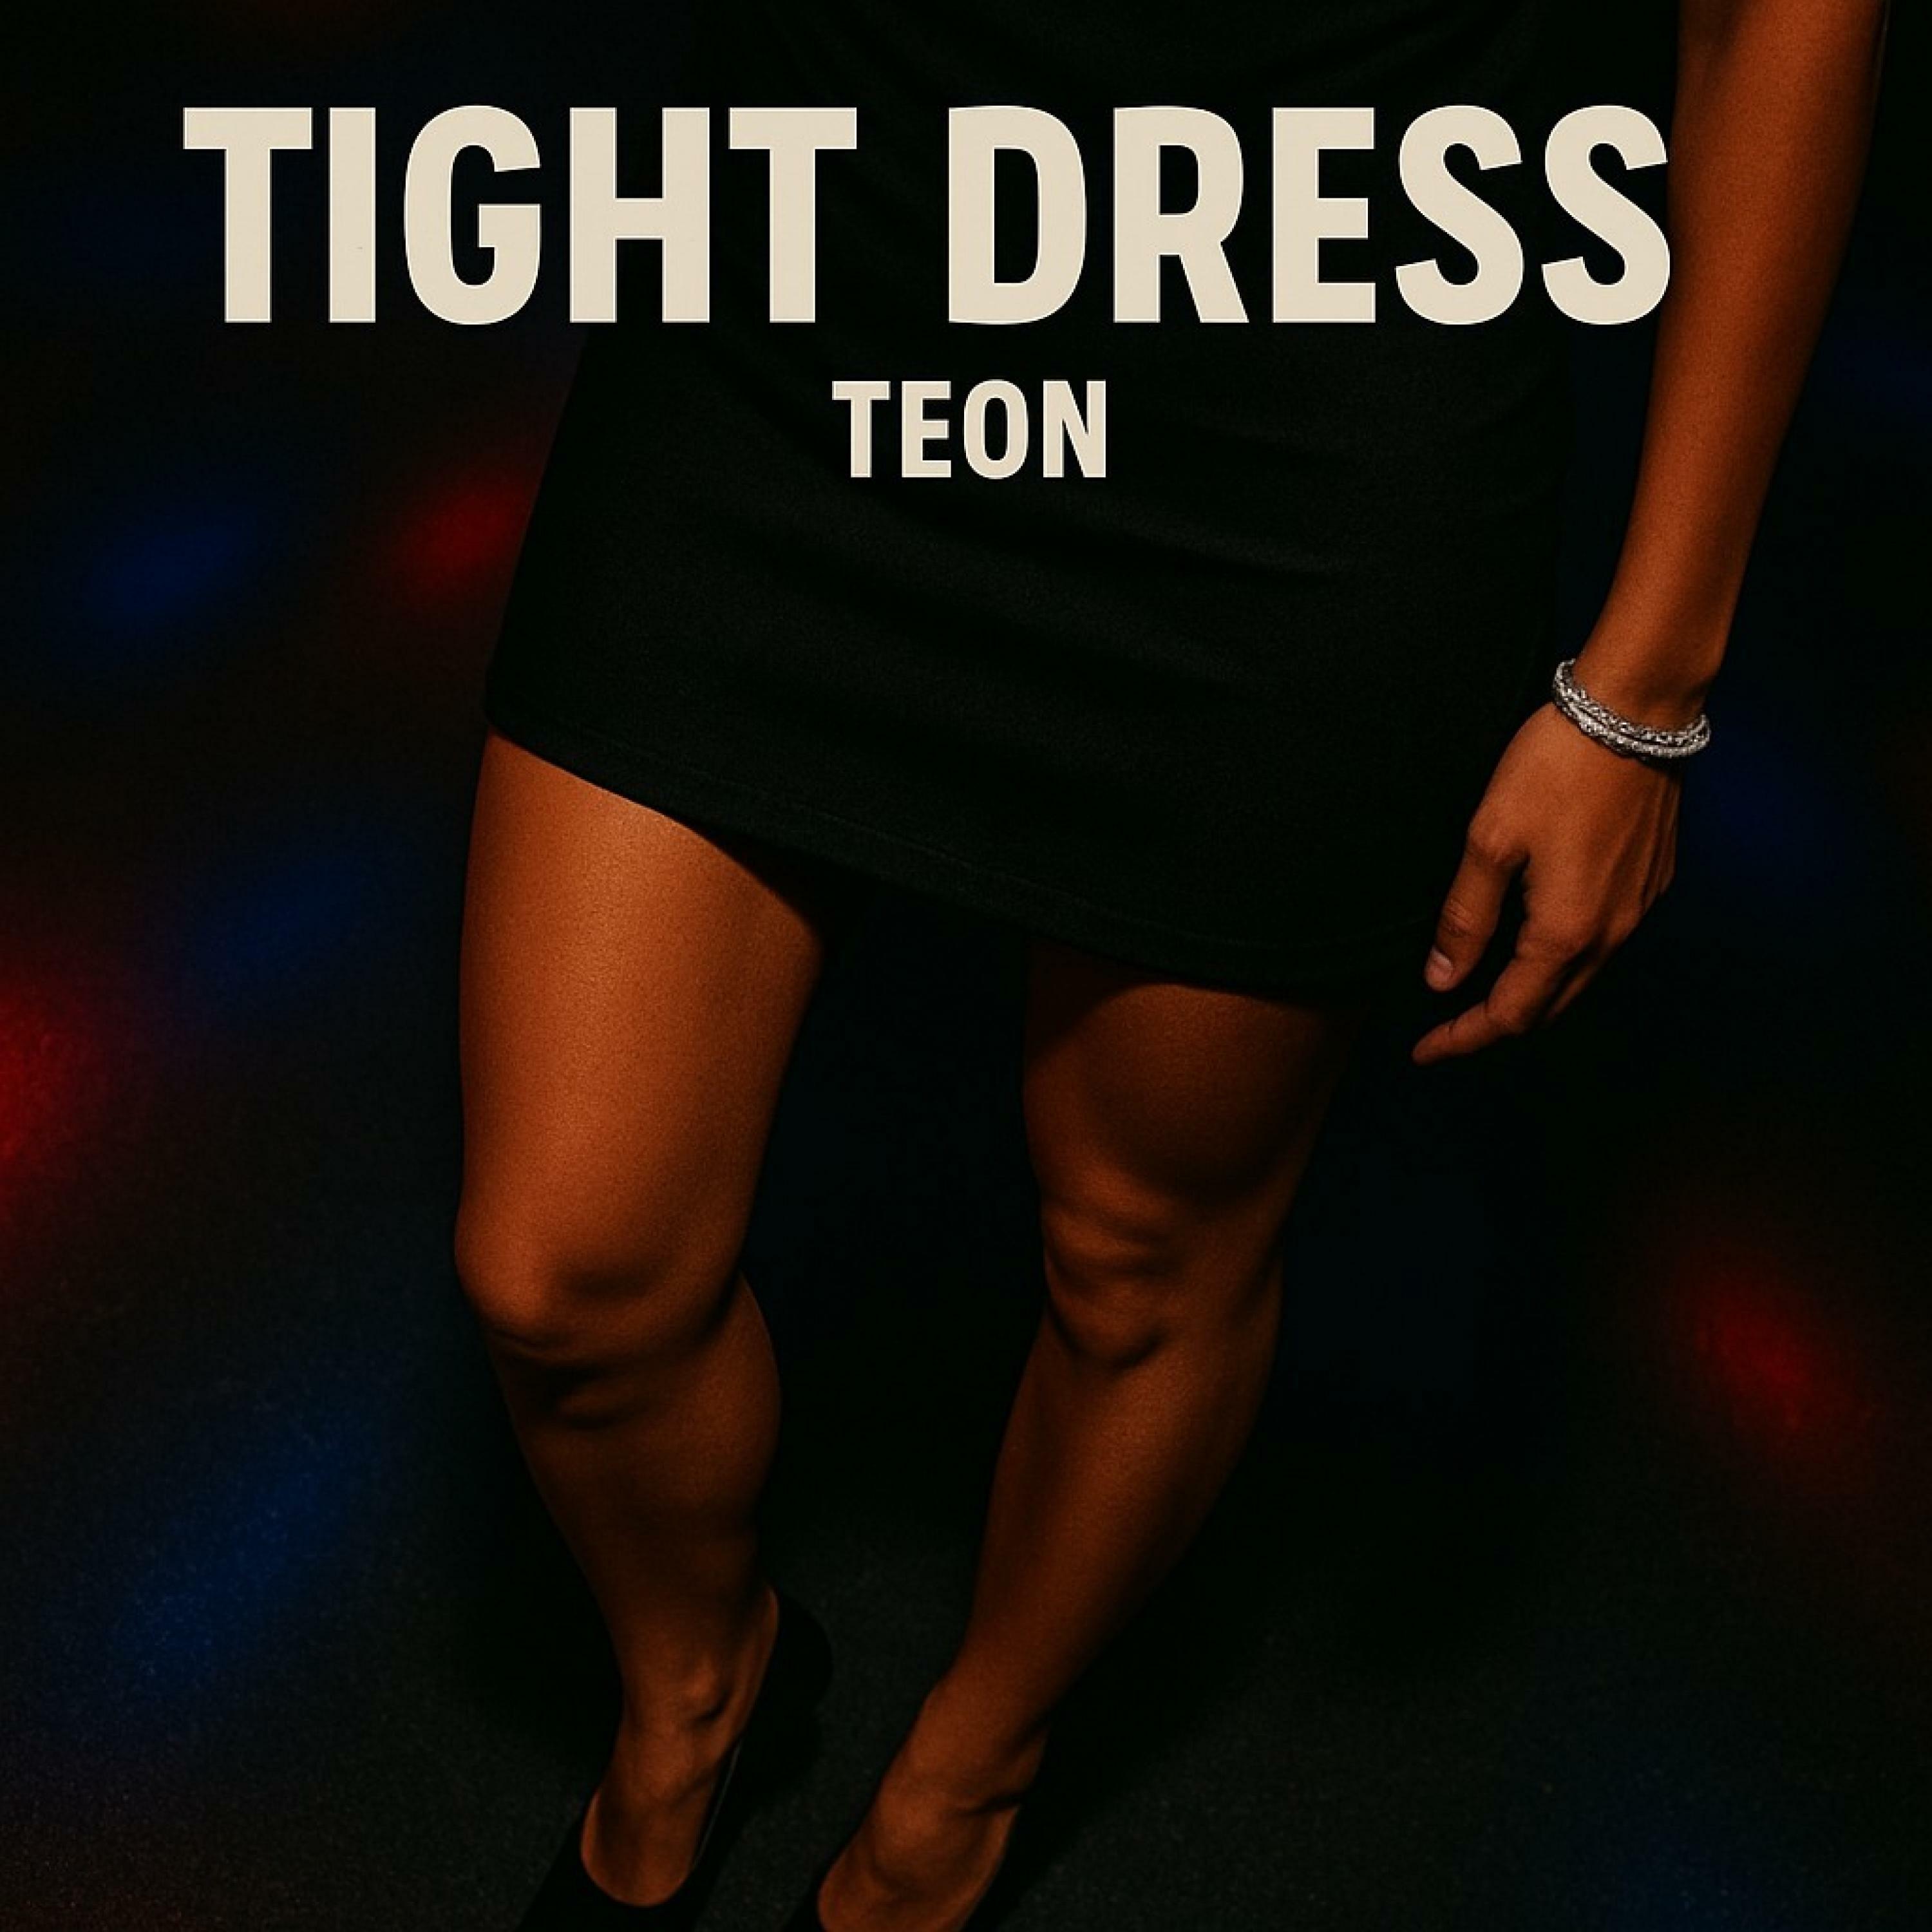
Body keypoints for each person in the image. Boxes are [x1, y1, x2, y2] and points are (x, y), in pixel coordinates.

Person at [453, 1, 1891, 1925]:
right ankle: (700, 1676)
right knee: (564, 1273)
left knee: (1142, 1255)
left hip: (1308, 391)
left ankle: (974, 1769)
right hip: (812, 274)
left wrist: (1646, 682)